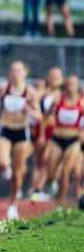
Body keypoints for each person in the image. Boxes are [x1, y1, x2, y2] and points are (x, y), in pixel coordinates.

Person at [0, 60, 41, 219]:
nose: (15, 73)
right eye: (12, 70)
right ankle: (6, 170)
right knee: (2, 162)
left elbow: (39, 116)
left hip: (21, 132)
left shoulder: (30, 92)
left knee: (17, 173)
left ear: (25, 72)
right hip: (5, 128)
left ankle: (13, 205)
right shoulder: (3, 87)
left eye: (18, 70)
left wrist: (29, 110)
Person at [41, 74, 84, 207]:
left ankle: (59, 203)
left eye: (73, 84)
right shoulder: (58, 99)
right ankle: (52, 183)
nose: (70, 87)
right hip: (57, 139)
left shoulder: (81, 103)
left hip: (73, 141)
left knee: (65, 172)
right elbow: (45, 118)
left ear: (77, 86)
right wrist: (43, 135)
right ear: (65, 85)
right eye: (68, 84)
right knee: (51, 173)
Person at [30, 67, 63, 202]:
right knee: (38, 161)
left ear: (61, 79)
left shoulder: (63, 95)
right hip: (41, 129)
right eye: (51, 76)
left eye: (56, 77)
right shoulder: (42, 94)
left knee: (46, 159)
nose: (53, 79)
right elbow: (31, 104)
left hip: (56, 131)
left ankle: (49, 183)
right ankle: (36, 189)